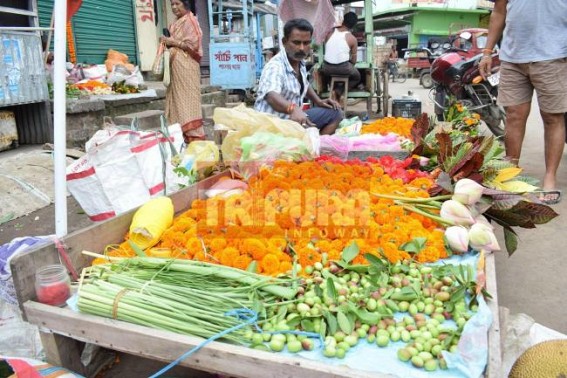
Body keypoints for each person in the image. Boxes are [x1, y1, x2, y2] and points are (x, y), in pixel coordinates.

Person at [479, 0, 567, 205]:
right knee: (514, 115)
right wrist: (487, 52)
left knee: (552, 118)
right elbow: (499, 12)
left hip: (554, 56)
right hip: (512, 58)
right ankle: (511, 174)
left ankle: (549, 178)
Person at [255, 19, 343, 135]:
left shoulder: (299, 62)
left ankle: (316, 147)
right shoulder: (275, 66)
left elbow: (303, 84)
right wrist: (293, 108)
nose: (302, 48)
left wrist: (318, 101)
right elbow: (271, 95)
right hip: (273, 125)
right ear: (284, 42)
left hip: (292, 121)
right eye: (296, 43)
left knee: (335, 112)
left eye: (306, 43)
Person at [160, 0, 205, 143]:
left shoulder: (190, 20)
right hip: (175, 68)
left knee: (188, 104)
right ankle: (179, 140)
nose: (174, 7)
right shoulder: (175, 22)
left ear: (186, 4)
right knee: (176, 104)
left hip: (187, 69)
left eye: (177, 4)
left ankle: (195, 142)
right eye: (172, 4)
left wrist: (172, 42)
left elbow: (194, 45)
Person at [320, 12, 361, 93]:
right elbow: (354, 61)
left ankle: (331, 88)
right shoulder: (352, 39)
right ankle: (338, 91)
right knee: (357, 77)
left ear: (343, 20)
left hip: (327, 68)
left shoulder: (329, 33)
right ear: (353, 25)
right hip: (344, 68)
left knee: (327, 75)